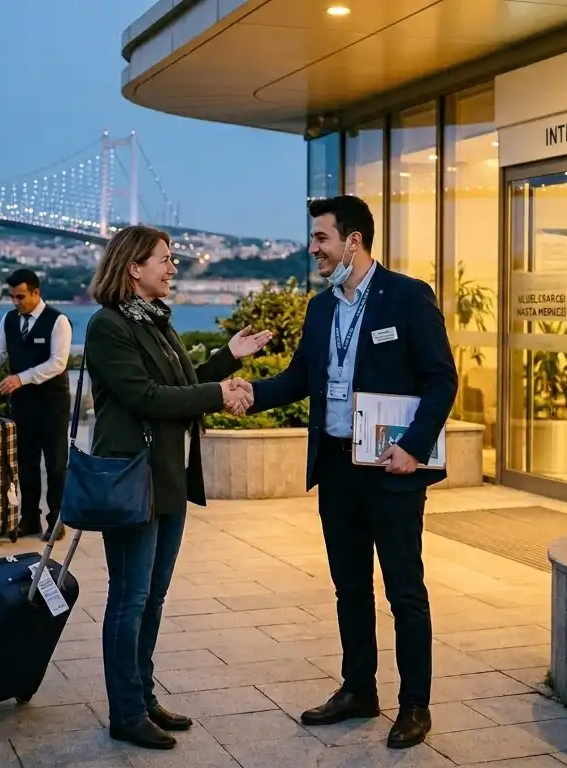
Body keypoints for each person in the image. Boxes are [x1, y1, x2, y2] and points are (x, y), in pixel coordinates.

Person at [239, 195, 457, 750]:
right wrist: (248, 394)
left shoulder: (407, 297)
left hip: (391, 471)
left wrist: (413, 446)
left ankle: (415, 705)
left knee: (404, 591)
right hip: (336, 469)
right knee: (349, 588)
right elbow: (298, 380)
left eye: (321, 239)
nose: (312, 249)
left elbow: (441, 379)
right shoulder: (320, 308)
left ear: (352, 241)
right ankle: (359, 689)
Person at [84, 224, 271, 750]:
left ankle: (142, 697)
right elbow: (145, 396)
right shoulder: (108, 326)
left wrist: (228, 359)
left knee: (154, 596)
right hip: (132, 480)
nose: (173, 267)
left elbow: (182, 388)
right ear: (133, 268)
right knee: (130, 597)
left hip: (167, 478)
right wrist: (219, 392)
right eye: (164, 260)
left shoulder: (158, 321)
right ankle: (125, 712)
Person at [0, 268, 72, 541]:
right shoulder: (10, 320)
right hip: (22, 403)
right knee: (24, 462)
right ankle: (29, 519)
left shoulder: (58, 321)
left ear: (36, 293)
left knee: (56, 463)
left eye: (21, 297)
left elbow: (57, 364)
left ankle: (57, 520)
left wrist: (20, 378)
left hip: (52, 402)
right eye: (13, 297)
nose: (16, 302)